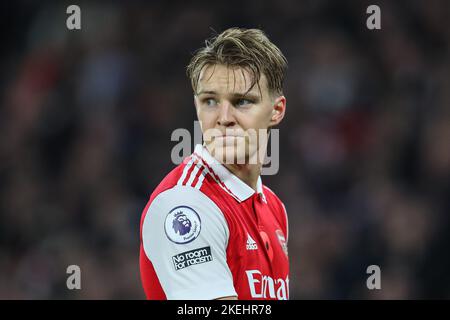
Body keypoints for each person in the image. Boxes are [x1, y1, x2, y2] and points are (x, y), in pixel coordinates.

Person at [139, 27, 289, 300]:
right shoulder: (185, 204)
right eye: (210, 101)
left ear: (276, 111)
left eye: (242, 101)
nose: (224, 118)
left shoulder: (274, 208)